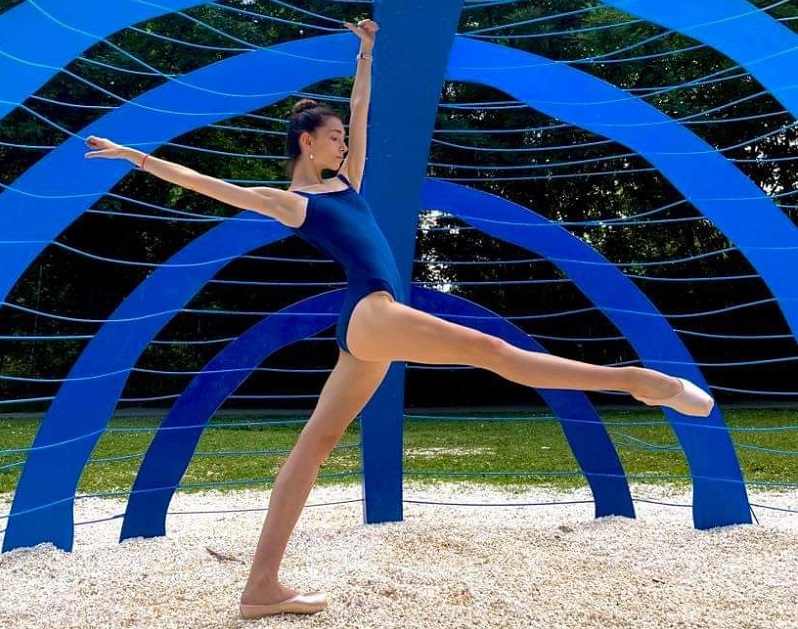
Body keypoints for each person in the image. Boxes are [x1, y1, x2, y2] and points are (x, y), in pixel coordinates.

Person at [85, 18, 714, 619]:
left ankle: (261, 586)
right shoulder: (294, 202)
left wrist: (365, 54)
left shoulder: (348, 184)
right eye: (334, 137)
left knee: (314, 446)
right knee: (497, 353)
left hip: (368, 327)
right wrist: (136, 157)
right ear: (307, 142)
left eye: (344, 138)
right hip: (372, 309)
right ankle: (639, 381)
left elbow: (362, 111)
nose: (344, 142)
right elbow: (207, 183)